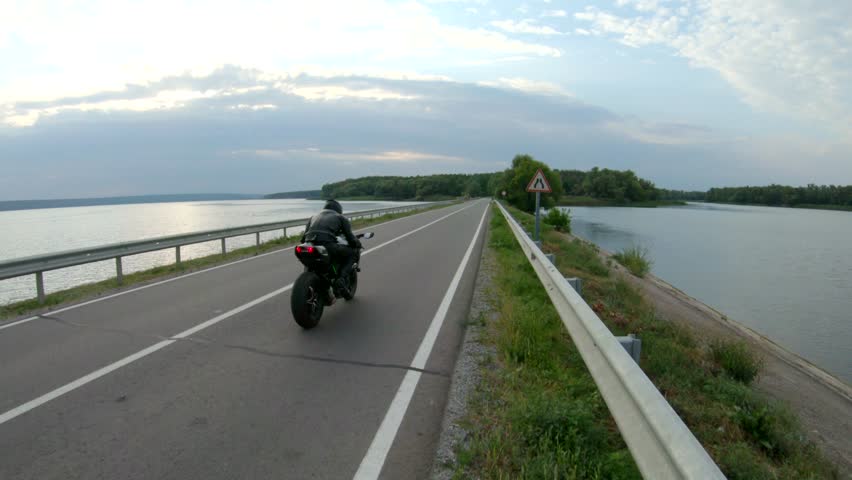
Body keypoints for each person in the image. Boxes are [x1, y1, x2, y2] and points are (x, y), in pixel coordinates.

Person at [300, 199, 362, 293]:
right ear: (338, 209)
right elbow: (351, 238)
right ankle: (341, 279)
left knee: (308, 257)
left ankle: (309, 276)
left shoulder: (314, 217)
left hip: (308, 245)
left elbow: (303, 239)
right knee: (352, 253)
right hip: (327, 245)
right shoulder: (340, 217)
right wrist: (358, 244)